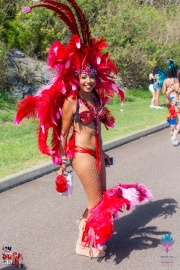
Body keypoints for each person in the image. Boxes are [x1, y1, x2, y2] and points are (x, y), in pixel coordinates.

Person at [15, 0, 153, 258]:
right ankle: (83, 242)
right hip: (80, 154)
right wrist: (63, 161)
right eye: (83, 77)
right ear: (76, 78)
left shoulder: (97, 99)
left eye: (91, 76)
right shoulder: (72, 101)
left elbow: (97, 130)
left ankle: (86, 226)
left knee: (100, 197)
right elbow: (63, 133)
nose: (88, 80)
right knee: (98, 202)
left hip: (97, 153)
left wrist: (104, 152)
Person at [166, 69, 180, 146]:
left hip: (177, 104)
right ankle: (174, 136)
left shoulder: (175, 85)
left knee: (178, 122)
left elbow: (167, 93)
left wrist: (170, 100)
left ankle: (173, 135)